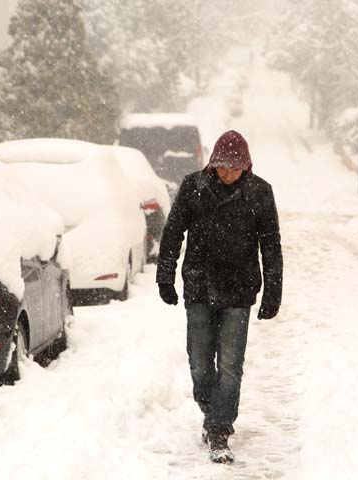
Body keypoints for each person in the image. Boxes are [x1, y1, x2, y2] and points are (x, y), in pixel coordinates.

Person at [156, 130, 283, 464]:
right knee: (199, 363)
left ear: (246, 165)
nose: (229, 173)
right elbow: (172, 234)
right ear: (213, 164)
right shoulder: (193, 186)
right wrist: (165, 276)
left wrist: (273, 291)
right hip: (199, 285)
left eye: (235, 167)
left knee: (229, 365)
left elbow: (270, 245)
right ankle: (212, 411)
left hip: (239, 291)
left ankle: (219, 430)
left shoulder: (260, 192)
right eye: (223, 167)